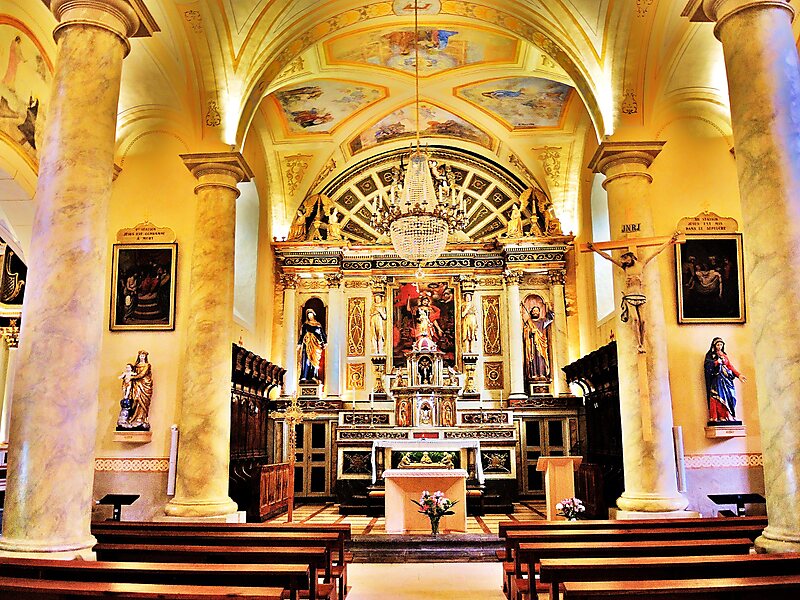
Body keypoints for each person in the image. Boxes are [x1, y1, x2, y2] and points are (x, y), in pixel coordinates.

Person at [587, 232, 678, 353]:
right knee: (635, 319)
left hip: (640, 295)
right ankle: (639, 344)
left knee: (643, 321)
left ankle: (642, 343)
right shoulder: (625, 268)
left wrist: (670, 241)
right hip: (630, 296)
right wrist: (595, 249)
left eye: (627, 259)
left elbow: (656, 251)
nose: (625, 262)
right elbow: (608, 257)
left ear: (631, 257)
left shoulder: (641, 264)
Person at [704, 337, 746, 423]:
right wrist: (716, 362)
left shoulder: (724, 355)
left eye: (721, 345)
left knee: (729, 396)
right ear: (714, 345)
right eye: (718, 345)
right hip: (717, 379)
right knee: (717, 397)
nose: (719, 346)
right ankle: (718, 416)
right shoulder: (710, 355)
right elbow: (708, 366)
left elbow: (730, 366)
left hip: (726, 379)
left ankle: (727, 415)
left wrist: (739, 375)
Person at [520, 302, 554, 380]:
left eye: (536, 311)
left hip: (541, 344)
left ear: (539, 312)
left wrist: (549, 308)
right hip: (532, 344)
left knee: (540, 357)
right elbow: (525, 332)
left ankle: (542, 374)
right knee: (533, 358)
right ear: (531, 312)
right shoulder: (529, 322)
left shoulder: (542, 321)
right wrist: (530, 331)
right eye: (534, 311)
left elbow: (550, 319)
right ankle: (533, 374)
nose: (535, 312)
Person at [125, 350, 152, 430]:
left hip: (144, 385)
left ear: (145, 357)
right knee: (135, 399)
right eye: (141, 355)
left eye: (143, 356)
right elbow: (130, 373)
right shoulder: (136, 366)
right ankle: (134, 417)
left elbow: (142, 374)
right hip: (137, 385)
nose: (142, 357)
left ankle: (141, 418)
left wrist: (132, 377)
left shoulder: (147, 365)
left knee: (143, 401)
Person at [298, 308, 327, 383]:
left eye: (311, 315)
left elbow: (322, 334)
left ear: (314, 315)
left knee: (314, 360)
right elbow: (302, 335)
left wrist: (325, 342)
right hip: (308, 344)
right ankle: (305, 376)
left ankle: (314, 375)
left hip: (316, 344)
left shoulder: (318, 325)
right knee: (307, 359)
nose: (310, 316)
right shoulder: (305, 325)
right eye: (308, 315)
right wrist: (299, 344)